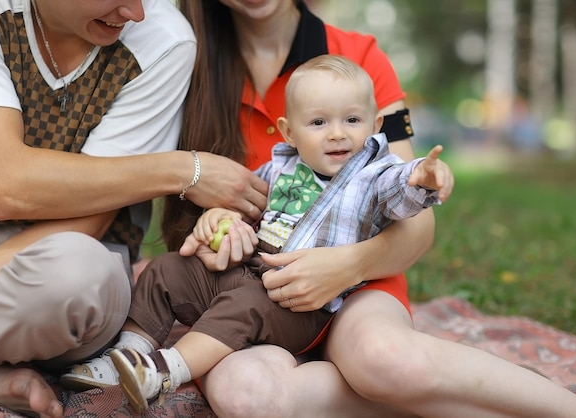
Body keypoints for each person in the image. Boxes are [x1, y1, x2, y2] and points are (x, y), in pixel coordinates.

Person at [167, 1, 576, 417]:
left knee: (383, 358)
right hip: (245, 291)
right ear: (288, 132)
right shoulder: (182, 58)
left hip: (358, 281)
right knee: (246, 395)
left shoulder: (359, 56)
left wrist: (346, 266)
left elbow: (415, 220)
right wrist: (212, 228)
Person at [59, 54, 454, 413]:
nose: (337, 134)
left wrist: (422, 178)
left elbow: (400, 192)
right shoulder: (278, 169)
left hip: (297, 304)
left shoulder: (374, 176)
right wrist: (221, 219)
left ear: (374, 125)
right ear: (289, 131)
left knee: (246, 302)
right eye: (319, 122)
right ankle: (127, 356)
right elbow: (243, 210)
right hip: (245, 272)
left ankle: (163, 371)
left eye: (352, 120)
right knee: (166, 270)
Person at [0, 0, 268, 417]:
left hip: (64, 282)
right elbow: (5, 187)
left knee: (81, 274)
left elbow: (87, 221)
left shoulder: (165, 37)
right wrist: (181, 169)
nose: (136, 12)